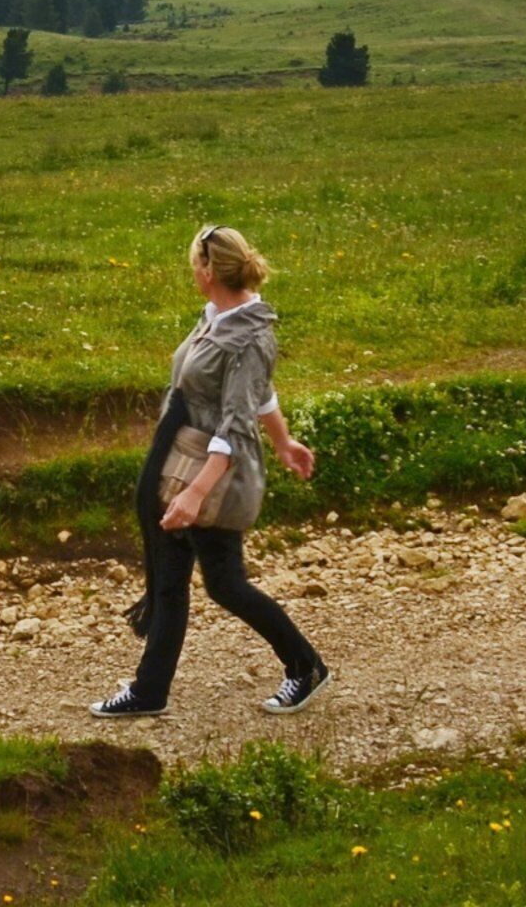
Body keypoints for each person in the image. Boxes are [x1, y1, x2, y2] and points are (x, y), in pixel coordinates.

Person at [93, 222, 331, 717]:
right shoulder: (217, 317)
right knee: (169, 581)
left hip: (211, 478)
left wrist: (195, 494)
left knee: (225, 584)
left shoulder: (248, 336)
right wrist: (285, 442)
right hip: (178, 465)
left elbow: (236, 422)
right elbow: (257, 394)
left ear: (208, 270)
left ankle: (305, 666)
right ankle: (149, 690)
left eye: (193, 264)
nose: (191, 273)